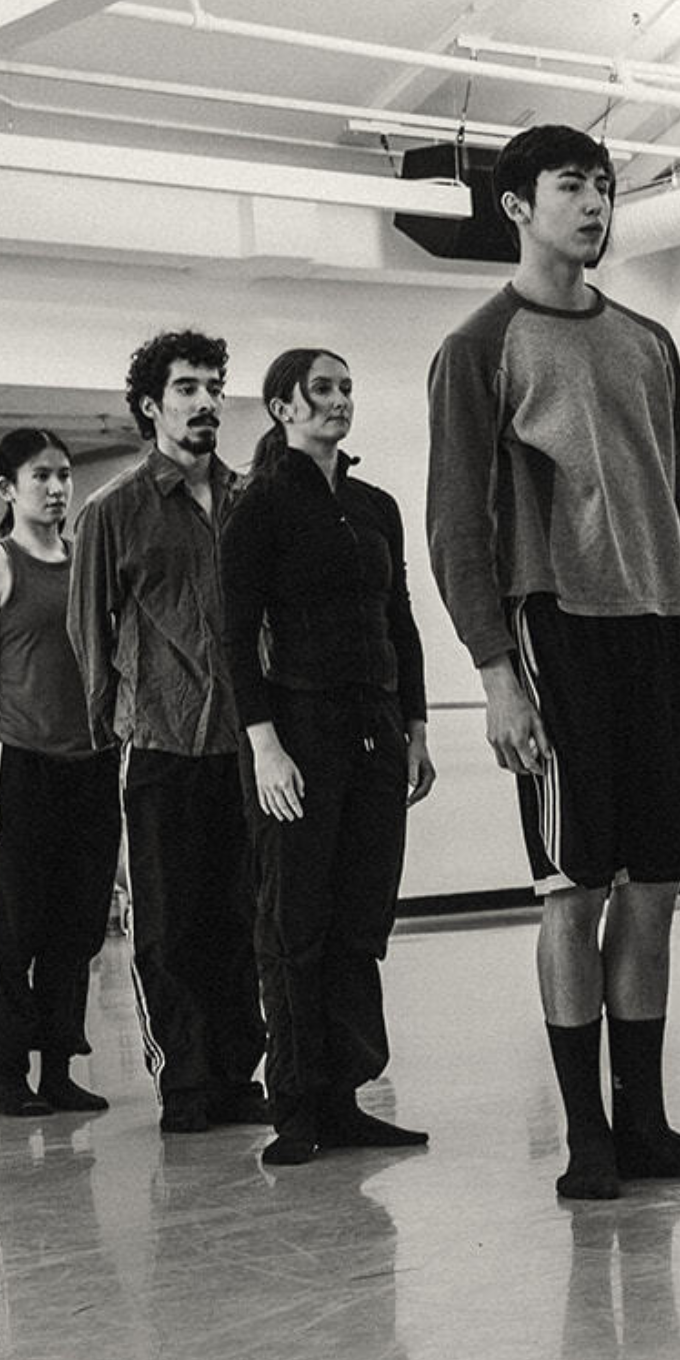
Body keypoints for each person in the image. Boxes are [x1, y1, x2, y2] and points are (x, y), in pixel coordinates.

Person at [427, 124, 680, 1203]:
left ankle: (646, 1124)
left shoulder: (649, 342)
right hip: (557, 630)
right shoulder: (479, 345)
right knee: (572, 891)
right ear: (518, 205)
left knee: (655, 887)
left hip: (662, 630)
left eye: (605, 187)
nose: (596, 205)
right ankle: (587, 1136)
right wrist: (496, 672)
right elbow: (457, 525)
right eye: (572, 186)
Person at [225, 351, 435, 1165]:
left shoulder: (375, 504)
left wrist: (416, 725)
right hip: (299, 730)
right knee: (294, 921)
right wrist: (265, 745)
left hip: (375, 726)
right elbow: (235, 635)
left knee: (359, 916)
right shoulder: (259, 504)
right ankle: (296, 1107)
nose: (339, 401)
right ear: (283, 407)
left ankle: (345, 1098)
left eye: (347, 388)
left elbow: (399, 619)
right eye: (322, 389)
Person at [70, 332, 268, 1135]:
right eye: (188, 387)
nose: (206, 401)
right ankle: (185, 1076)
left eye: (214, 386)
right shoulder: (113, 510)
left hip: (246, 745)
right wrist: (111, 729)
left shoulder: (250, 498)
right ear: (152, 405)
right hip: (158, 741)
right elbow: (88, 632)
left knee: (241, 917)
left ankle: (238, 1071)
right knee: (169, 923)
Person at [0, 430, 117, 1118]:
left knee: (76, 927)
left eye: (63, 475)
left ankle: (58, 1066)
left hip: (91, 764)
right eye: (41, 477)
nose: (56, 489)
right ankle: (6, 1071)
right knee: (15, 927)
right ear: (7, 489)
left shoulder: (88, 562)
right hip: (21, 762)